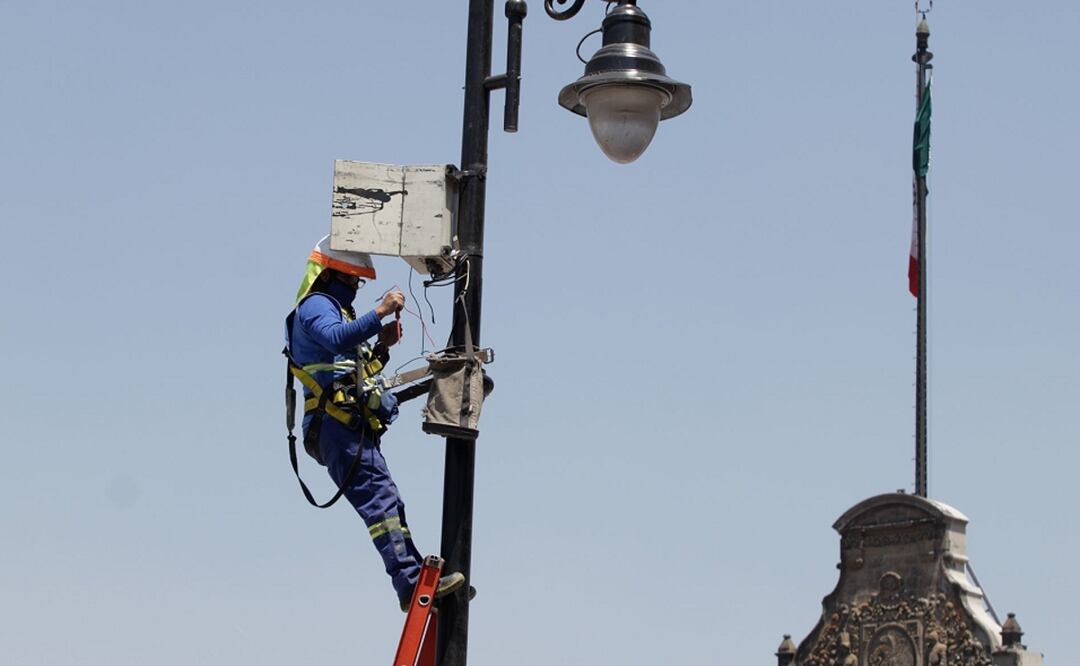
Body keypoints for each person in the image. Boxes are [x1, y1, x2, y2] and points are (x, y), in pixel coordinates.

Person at [285, 236, 466, 610]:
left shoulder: (335, 309)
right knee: (381, 504)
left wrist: (381, 346)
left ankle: (415, 579)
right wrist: (380, 311)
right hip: (335, 427)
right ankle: (411, 583)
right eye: (353, 280)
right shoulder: (317, 305)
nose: (355, 288)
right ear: (334, 274)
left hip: (346, 427)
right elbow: (335, 340)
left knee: (389, 502)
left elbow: (351, 371)